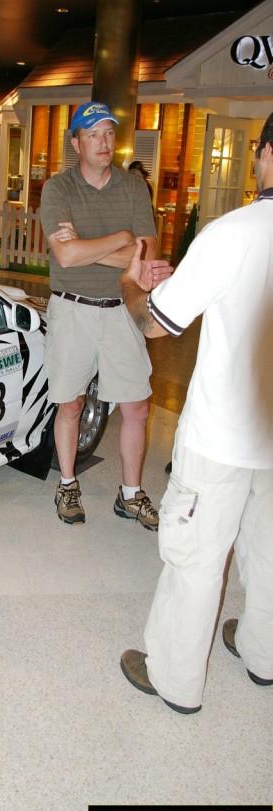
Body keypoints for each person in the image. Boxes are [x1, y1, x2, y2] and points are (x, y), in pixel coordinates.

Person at [119, 112, 273, 714]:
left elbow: (156, 323)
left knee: (197, 560)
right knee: (271, 554)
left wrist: (134, 286)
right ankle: (263, 653)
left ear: (266, 154)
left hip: (223, 439)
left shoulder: (234, 232)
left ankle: (175, 679)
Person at [40, 101, 168, 529]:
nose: (104, 142)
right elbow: (66, 255)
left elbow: (146, 260)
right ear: (76, 142)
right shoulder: (58, 189)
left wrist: (90, 248)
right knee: (71, 404)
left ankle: (130, 494)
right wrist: (121, 239)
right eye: (93, 134)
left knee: (137, 407)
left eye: (109, 133)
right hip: (72, 309)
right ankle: (68, 482)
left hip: (121, 312)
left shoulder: (133, 188)